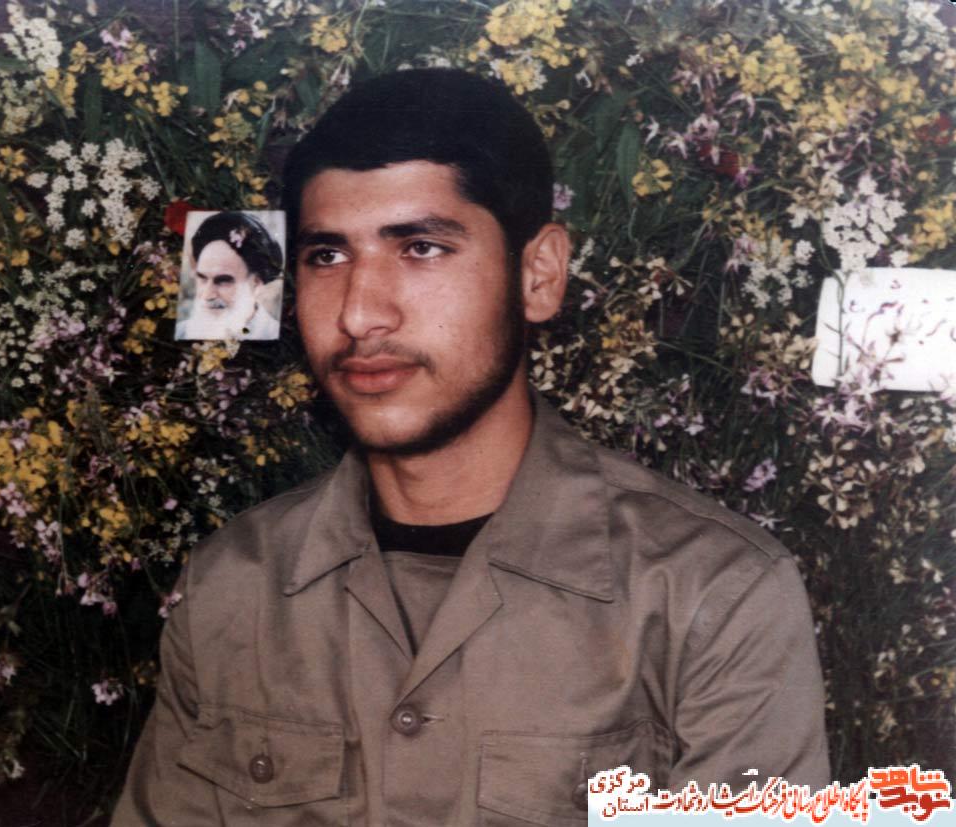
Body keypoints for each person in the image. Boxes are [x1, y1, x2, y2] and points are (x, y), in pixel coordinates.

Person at [112, 68, 829, 825]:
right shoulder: (234, 586)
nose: (359, 314)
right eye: (327, 256)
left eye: (421, 247)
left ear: (538, 275)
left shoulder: (710, 597)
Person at [175, 211, 283, 340]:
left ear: (256, 283)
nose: (207, 295)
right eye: (202, 278)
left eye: (223, 281)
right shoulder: (182, 332)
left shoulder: (272, 335)